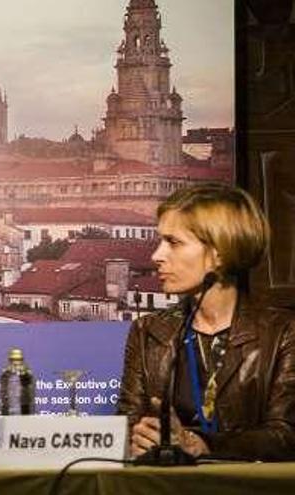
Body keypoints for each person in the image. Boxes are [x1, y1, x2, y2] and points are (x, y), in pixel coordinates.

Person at [118, 182, 295, 461]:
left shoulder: (283, 331)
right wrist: (138, 438)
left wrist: (201, 443)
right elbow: (127, 424)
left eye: (173, 242)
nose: (156, 256)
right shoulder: (148, 331)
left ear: (220, 252)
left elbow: (286, 436)